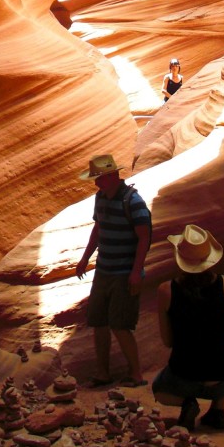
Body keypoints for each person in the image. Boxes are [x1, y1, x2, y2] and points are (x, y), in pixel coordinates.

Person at [152, 224, 224, 431]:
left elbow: (168, 341)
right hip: (222, 376)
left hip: (183, 375)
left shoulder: (166, 291)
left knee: (159, 388)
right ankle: (217, 409)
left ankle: (188, 404)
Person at [75, 153, 152, 387]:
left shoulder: (133, 202)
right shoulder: (100, 198)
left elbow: (144, 238)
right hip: (103, 271)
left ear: (112, 175)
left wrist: (136, 272)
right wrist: (85, 258)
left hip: (123, 273)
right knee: (99, 321)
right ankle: (103, 373)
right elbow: (98, 229)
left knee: (120, 324)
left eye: (99, 178)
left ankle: (136, 374)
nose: (96, 183)